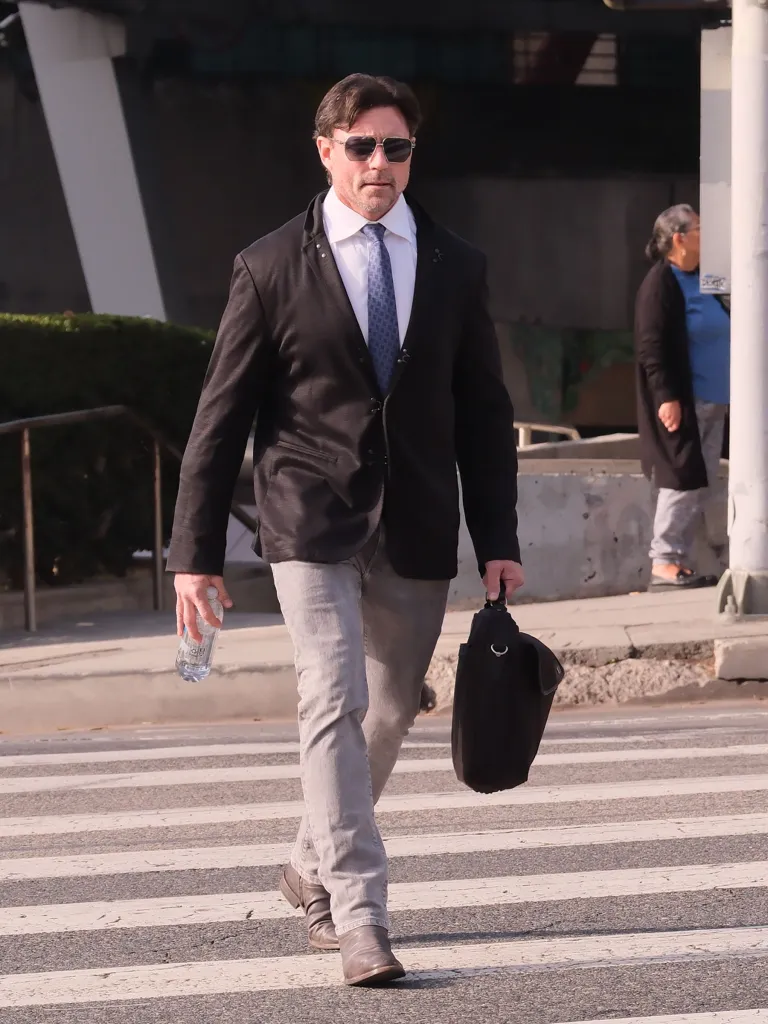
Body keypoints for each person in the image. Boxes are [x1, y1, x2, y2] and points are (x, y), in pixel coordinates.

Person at [167, 73, 524, 987]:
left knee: (393, 708)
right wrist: (193, 554)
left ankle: (306, 861)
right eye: (361, 146)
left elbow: (483, 413)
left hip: (414, 520)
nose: (379, 163)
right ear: (325, 150)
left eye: (396, 147)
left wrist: (499, 538)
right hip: (307, 514)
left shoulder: (454, 264)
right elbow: (221, 418)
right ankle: (359, 914)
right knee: (331, 697)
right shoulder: (270, 264)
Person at [635, 204, 730, 590]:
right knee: (682, 478)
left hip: (713, 399)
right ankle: (665, 560)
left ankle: (692, 558)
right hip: (686, 402)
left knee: (700, 480)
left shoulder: (705, 279)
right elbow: (652, 348)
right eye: (701, 230)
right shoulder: (661, 284)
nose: (708, 237)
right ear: (680, 238)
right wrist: (667, 397)